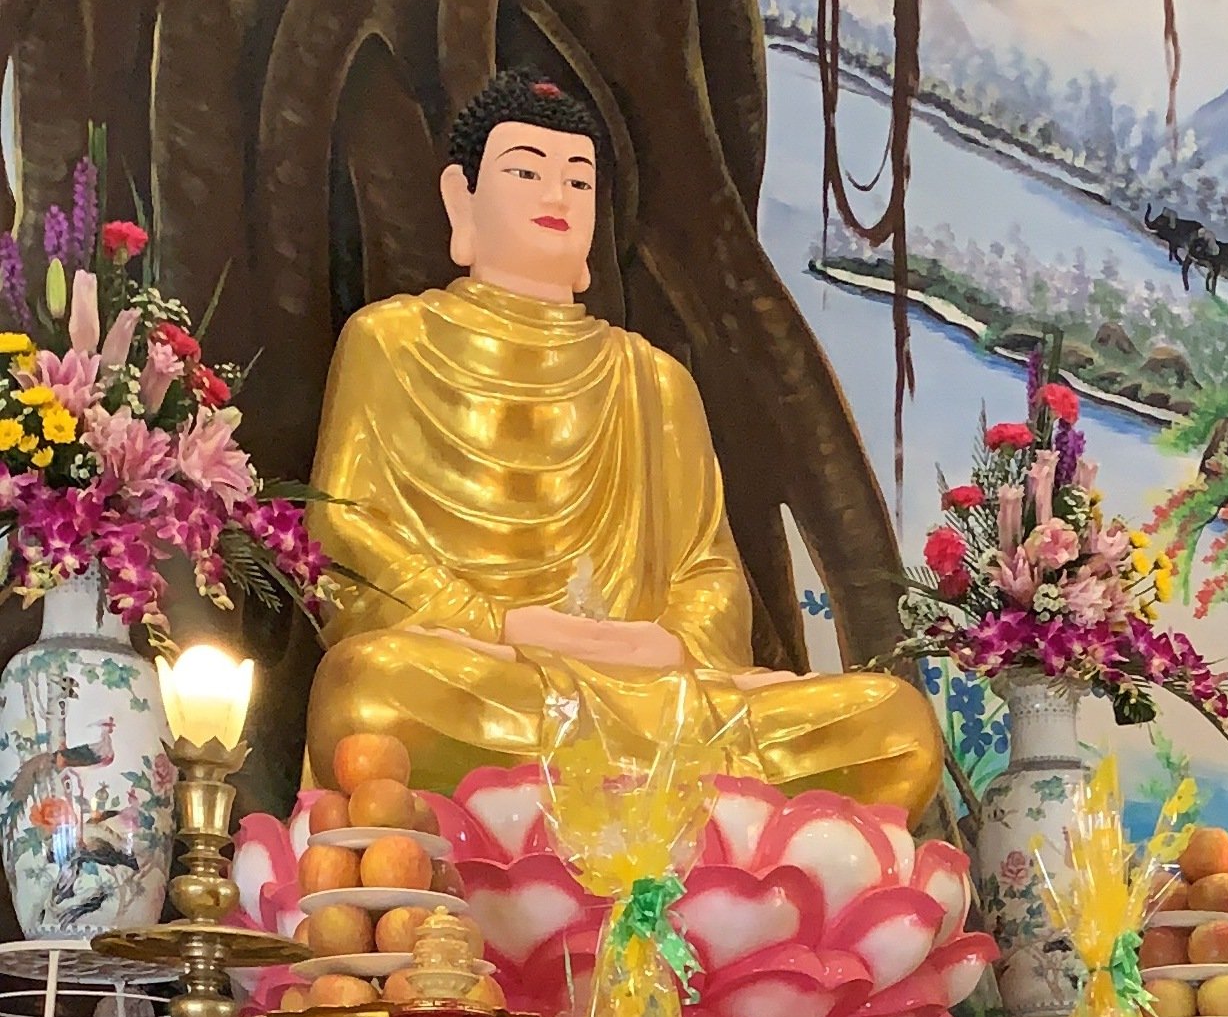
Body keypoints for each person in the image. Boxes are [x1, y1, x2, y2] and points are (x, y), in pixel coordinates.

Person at [307, 71, 942, 810]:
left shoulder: (652, 379)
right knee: (374, 691)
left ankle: (630, 780)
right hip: (482, 667)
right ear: (462, 197)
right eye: (525, 171)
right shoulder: (393, 340)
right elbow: (348, 530)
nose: (556, 198)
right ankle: (654, 791)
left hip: (654, 689)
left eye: (579, 181)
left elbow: (709, 572)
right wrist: (503, 626)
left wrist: (667, 645)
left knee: (895, 726)